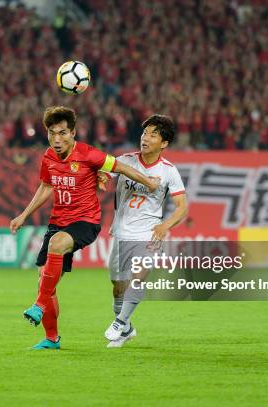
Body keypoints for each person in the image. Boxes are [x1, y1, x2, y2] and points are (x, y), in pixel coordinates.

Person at [9, 106, 159, 350]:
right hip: (58, 222)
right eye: (52, 133)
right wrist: (24, 215)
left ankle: (38, 305)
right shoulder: (48, 157)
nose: (57, 139)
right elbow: (46, 187)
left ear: (73, 133)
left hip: (85, 222)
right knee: (46, 281)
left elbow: (120, 167)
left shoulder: (89, 154)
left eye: (63, 133)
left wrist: (148, 182)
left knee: (56, 248)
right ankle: (51, 338)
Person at [102, 114, 188, 347]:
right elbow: (103, 175)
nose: (146, 138)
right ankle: (126, 328)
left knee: (137, 279)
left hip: (149, 233)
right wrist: (100, 179)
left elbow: (182, 207)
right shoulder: (125, 161)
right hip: (121, 232)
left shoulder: (169, 171)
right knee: (118, 287)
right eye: (144, 133)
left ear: (164, 143)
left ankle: (120, 322)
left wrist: (164, 225)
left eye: (153, 134)